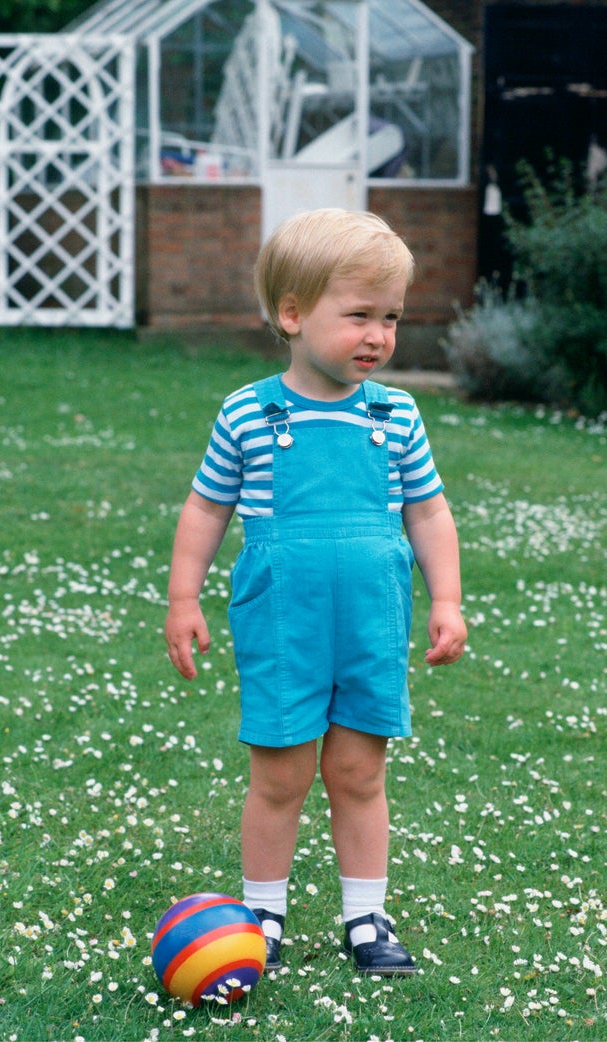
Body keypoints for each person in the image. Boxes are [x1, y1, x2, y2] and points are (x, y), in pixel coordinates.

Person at [165, 208, 467, 977]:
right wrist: (183, 598)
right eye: (359, 315)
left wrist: (445, 601)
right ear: (293, 315)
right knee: (281, 775)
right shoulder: (250, 412)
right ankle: (260, 914)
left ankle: (366, 918)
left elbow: (429, 510)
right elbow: (206, 506)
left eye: (391, 317)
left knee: (360, 772)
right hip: (282, 622)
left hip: (370, 621)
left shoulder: (395, 415)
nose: (379, 336)